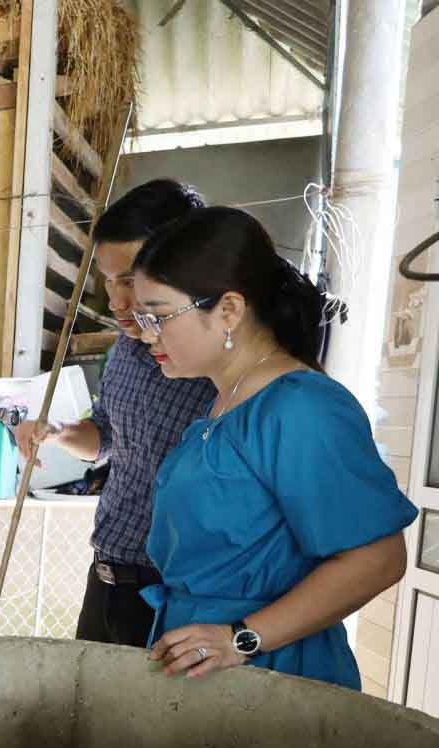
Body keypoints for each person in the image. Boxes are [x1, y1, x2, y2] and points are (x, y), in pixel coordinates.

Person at [129, 206, 416, 687]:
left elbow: (377, 558)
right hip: (203, 667)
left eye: (158, 316)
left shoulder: (301, 407)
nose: (144, 334)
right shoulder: (225, 404)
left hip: (271, 673)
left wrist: (242, 637)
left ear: (229, 311)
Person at [13, 179, 215, 648]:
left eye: (130, 281)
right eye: (108, 280)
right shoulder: (125, 349)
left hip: (175, 592)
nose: (116, 302)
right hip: (107, 575)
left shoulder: (219, 370)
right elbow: (108, 437)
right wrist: (57, 431)